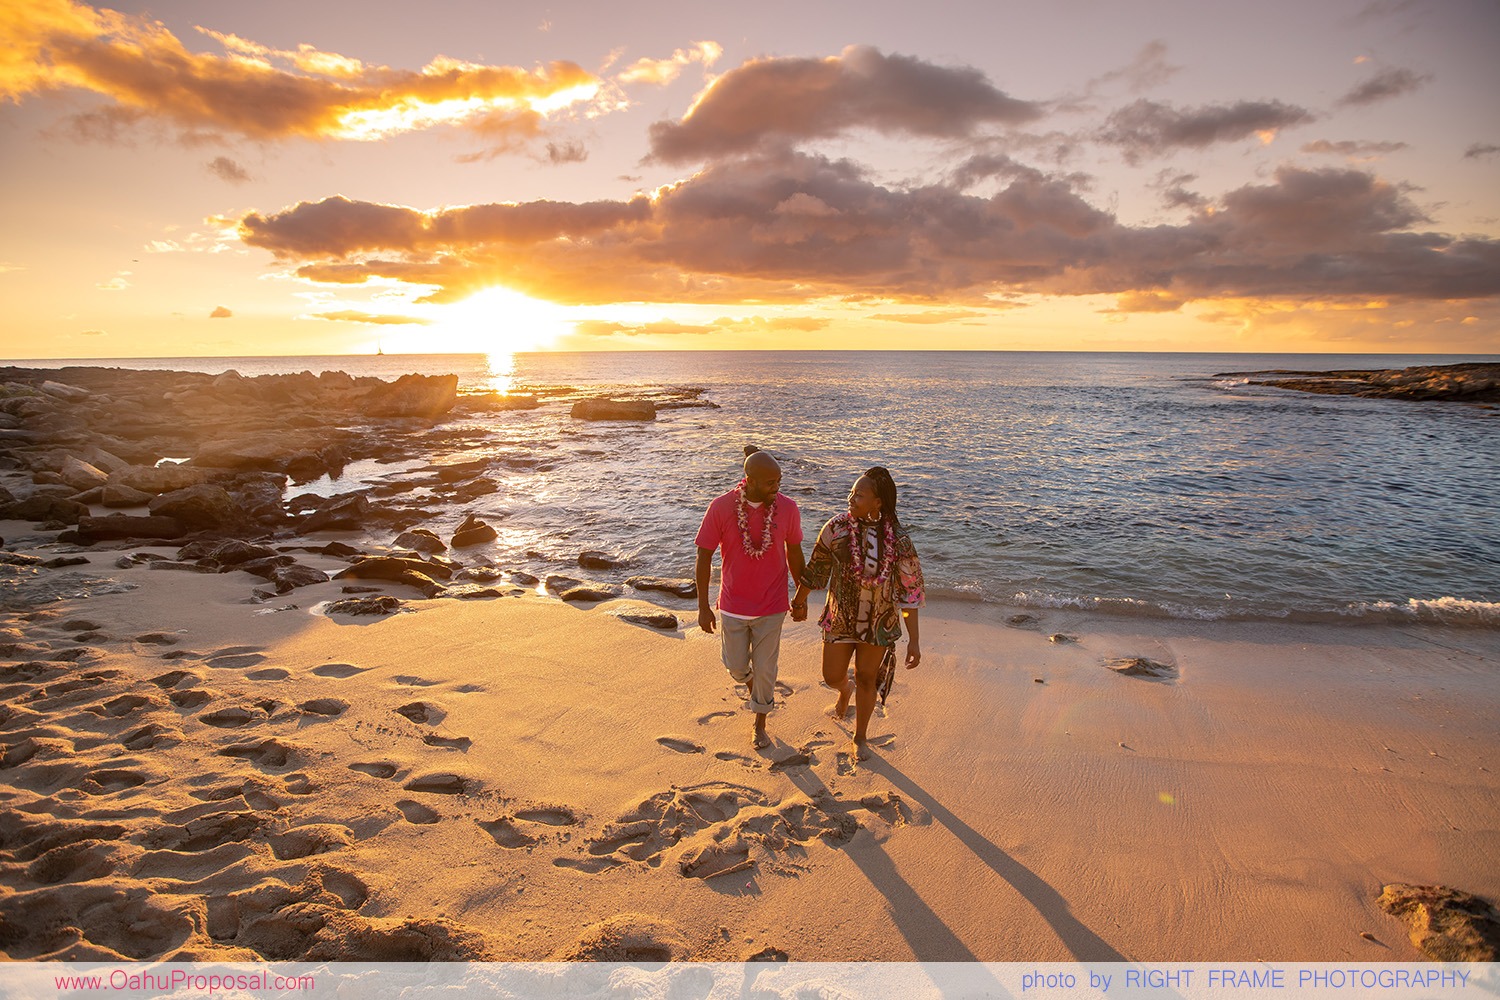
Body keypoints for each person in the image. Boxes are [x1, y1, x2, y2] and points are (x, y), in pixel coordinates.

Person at [793, 466, 925, 759]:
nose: (850, 498)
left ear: (878, 502)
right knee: (831, 675)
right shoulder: (836, 528)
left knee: (867, 678)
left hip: (878, 623)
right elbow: (816, 570)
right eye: (852, 492)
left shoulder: (899, 540)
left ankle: (860, 736)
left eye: (859, 494)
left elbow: (910, 593)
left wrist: (913, 640)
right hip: (840, 617)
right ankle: (843, 691)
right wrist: (799, 601)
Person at [695, 447, 806, 749]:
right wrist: (703, 606)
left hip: (772, 605)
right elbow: (704, 555)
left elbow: (794, 552)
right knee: (735, 666)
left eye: (779, 481)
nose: (777, 488)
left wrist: (801, 594)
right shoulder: (720, 507)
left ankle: (760, 721)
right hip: (733, 604)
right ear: (751, 481)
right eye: (771, 483)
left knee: (766, 667)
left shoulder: (788, 508)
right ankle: (752, 685)